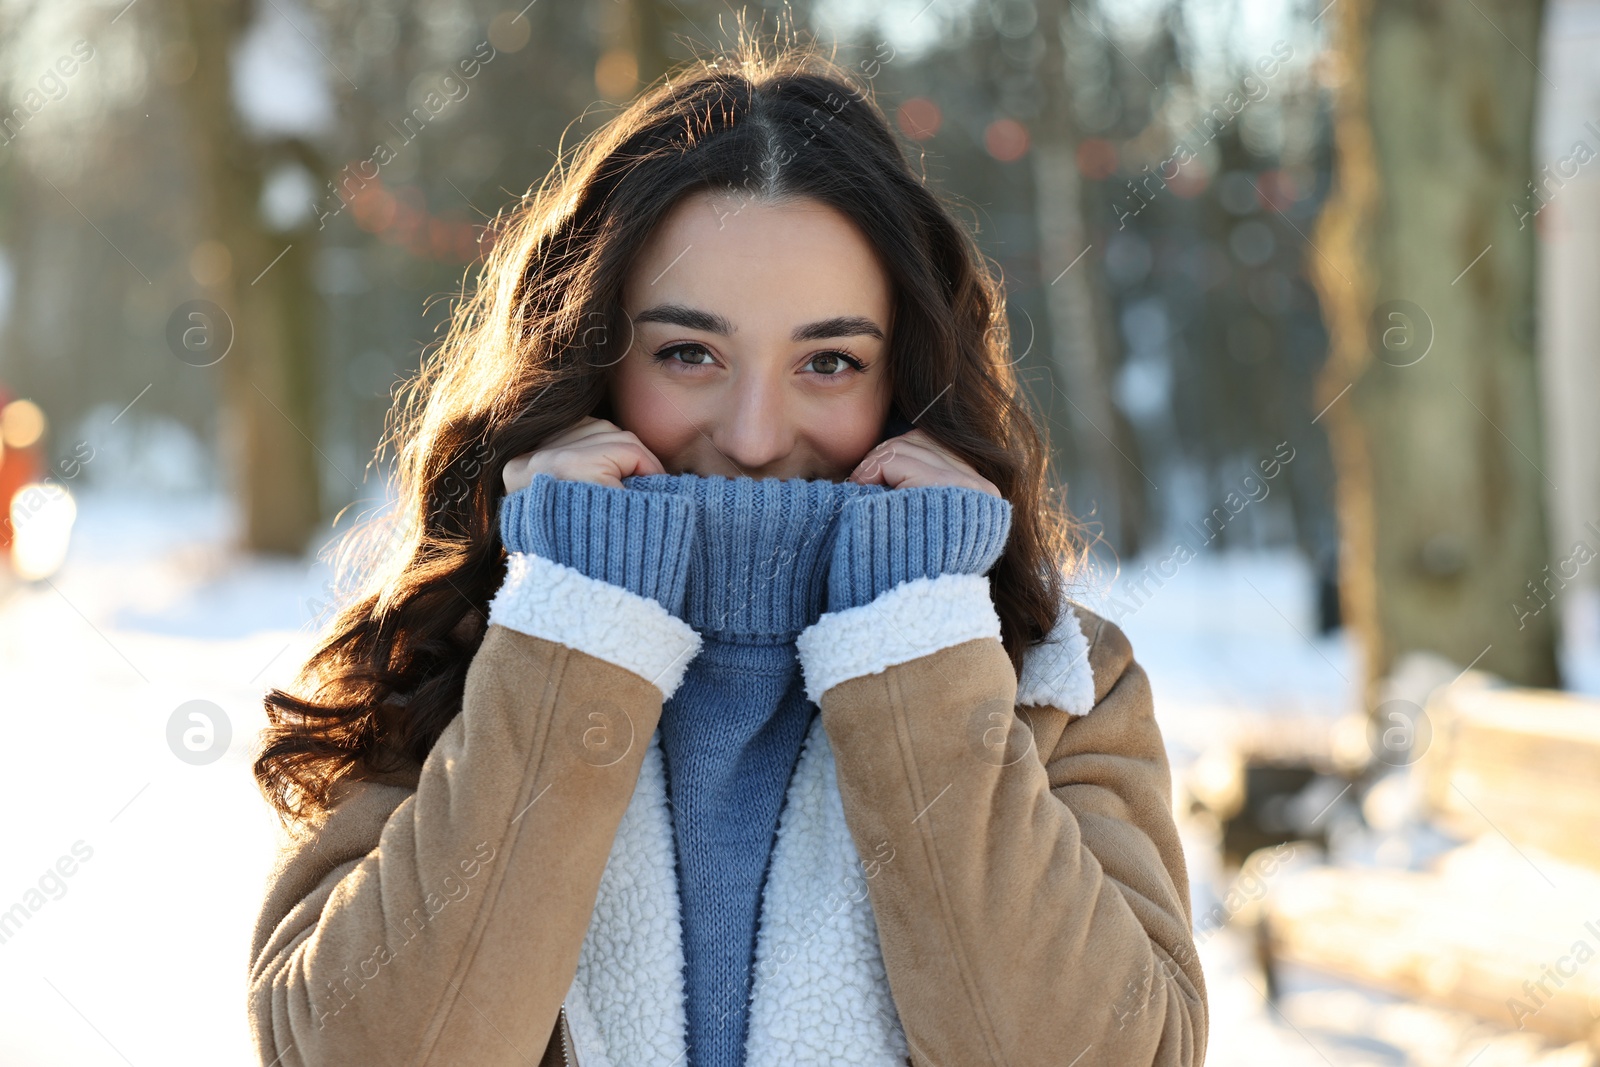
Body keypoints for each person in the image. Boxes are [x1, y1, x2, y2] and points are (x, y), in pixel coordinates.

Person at [247, 37, 1207, 1067]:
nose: (754, 433)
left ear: (907, 380)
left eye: (829, 361)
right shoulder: (449, 649)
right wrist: (572, 627)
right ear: (589, 356)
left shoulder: (1054, 680)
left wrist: (921, 646)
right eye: (688, 354)